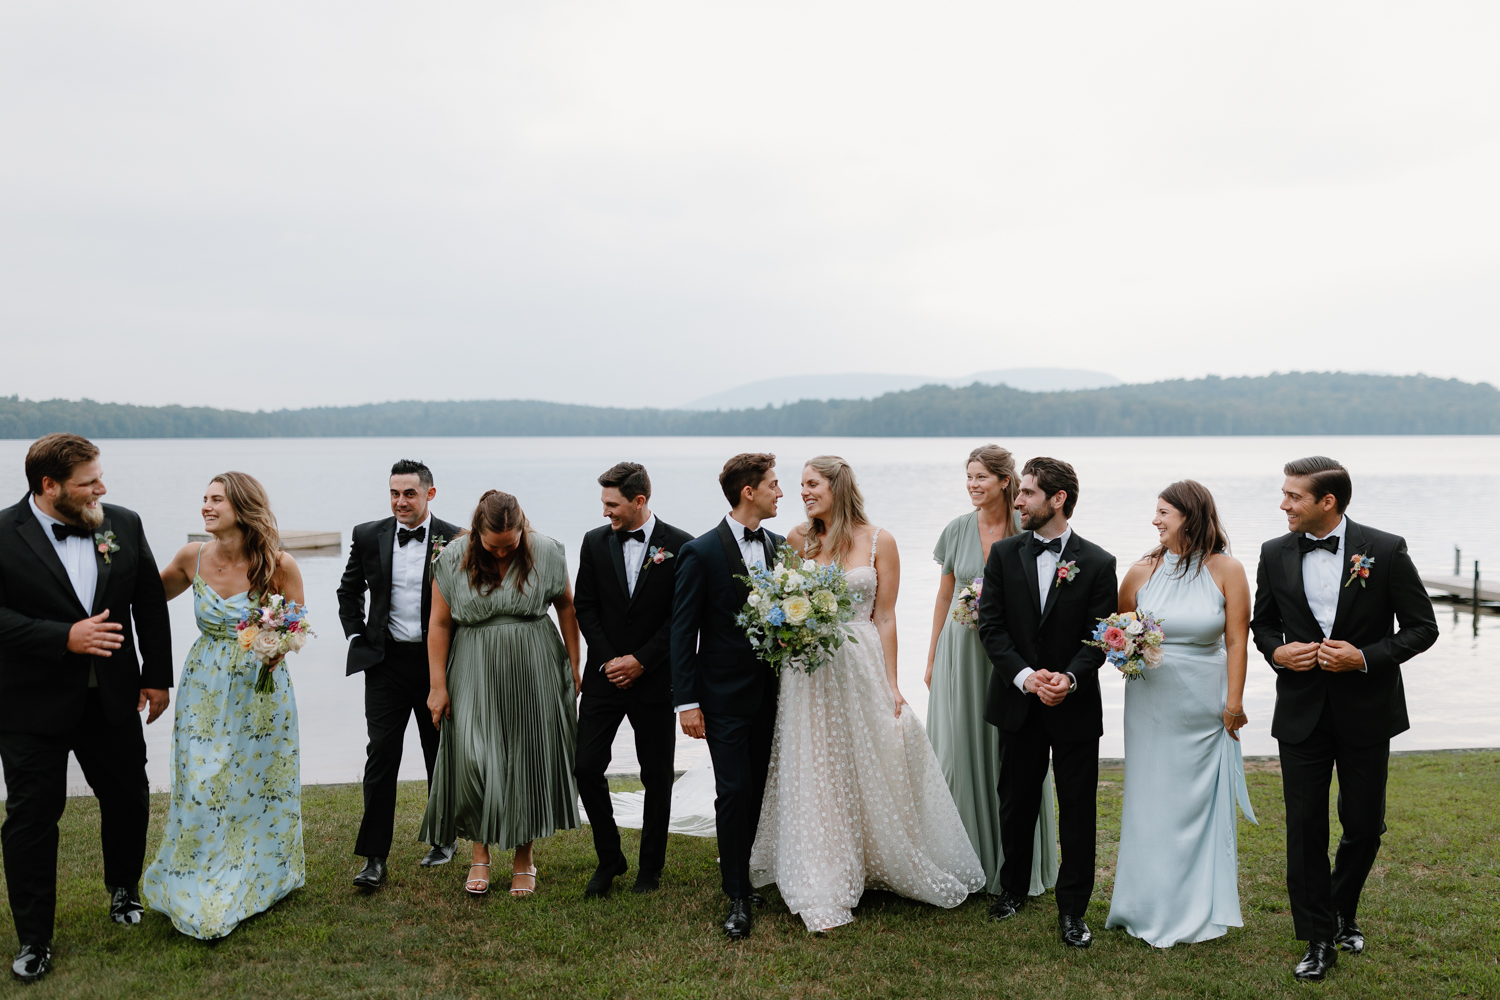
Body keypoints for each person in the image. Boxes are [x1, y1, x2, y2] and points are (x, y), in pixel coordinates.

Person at [751, 456, 985, 932]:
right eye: (799, 486)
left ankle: (877, 855)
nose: (803, 493)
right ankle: (823, 870)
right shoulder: (797, 540)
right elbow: (778, 604)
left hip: (859, 663)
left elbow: (885, 616)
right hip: (808, 672)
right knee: (816, 763)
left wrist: (892, 682)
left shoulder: (881, 540)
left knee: (868, 757)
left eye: (812, 484)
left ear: (838, 485)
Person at [1249, 457, 1437, 981]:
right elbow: (1262, 624)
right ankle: (1316, 939)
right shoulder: (1273, 552)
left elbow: (1422, 628)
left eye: (1293, 496)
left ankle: (1340, 908)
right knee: (1304, 828)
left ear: (1326, 502)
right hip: (1301, 713)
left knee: (1363, 825)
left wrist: (1365, 657)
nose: (1283, 504)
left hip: (1367, 711)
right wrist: (1276, 653)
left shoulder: (1386, 549)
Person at [0, 434, 172, 981]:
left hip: (113, 697)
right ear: (49, 487)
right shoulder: (2, 534)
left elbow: (147, 599)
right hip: (30, 705)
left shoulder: (123, 522)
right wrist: (62, 637)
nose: (102, 488)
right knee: (30, 819)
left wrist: (157, 677)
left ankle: (124, 890)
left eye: (100, 476)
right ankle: (34, 938)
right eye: (88, 482)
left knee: (127, 797)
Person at [143, 472, 306, 939]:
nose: (206, 507)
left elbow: (296, 627)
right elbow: (146, 599)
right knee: (202, 780)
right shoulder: (190, 557)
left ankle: (263, 872)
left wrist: (276, 644)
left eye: (216, 500)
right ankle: (195, 877)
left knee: (255, 785)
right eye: (204, 499)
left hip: (261, 692)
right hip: (204, 687)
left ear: (242, 506)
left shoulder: (279, 564)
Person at [1105, 481, 1257, 947]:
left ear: (1190, 516)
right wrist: (1125, 651)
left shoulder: (1227, 569)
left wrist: (1234, 702)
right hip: (1152, 704)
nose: (1156, 520)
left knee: (1197, 805)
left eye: (1164, 512)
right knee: (1151, 803)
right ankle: (1143, 904)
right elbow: (1121, 632)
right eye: (1156, 512)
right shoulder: (1140, 571)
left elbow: (1236, 640)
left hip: (1205, 704)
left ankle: (1196, 907)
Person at [977, 456, 1116, 948]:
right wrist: (1023, 676)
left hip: (1073, 706)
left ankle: (1073, 911)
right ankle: (1012, 888)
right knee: (1016, 802)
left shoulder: (1098, 562)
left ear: (1057, 499)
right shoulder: (1003, 554)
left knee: (1077, 808)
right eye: (1019, 492)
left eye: (1028, 493)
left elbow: (1100, 637)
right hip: (1018, 702)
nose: (1017, 501)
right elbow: (990, 625)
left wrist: (1069, 680)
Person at [419, 491, 582, 897]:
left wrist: (574, 664)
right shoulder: (452, 557)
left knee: (524, 757)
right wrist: (437, 686)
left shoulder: (546, 550)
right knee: (475, 758)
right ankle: (480, 854)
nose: (504, 552)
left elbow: (566, 606)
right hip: (473, 664)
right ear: (477, 533)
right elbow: (439, 625)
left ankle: (524, 859)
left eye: (512, 544)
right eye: (494, 545)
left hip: (535, 662)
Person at [925, 444, 1059, 899]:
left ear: (1006, 481)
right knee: (959, 750)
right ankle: (962, 862)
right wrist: (931, 656)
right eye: (968, 477)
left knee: (1017, 754)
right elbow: (945, 597)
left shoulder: (1029, 526)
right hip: (961, 652)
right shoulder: (957, 530)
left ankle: (1017, 863)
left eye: (981, 477)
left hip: (1012, 657)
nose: (972, 485)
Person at [670, 453, 784, 941]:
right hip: (720, 696)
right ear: (749, 492)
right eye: (775, 485)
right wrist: (686, 702)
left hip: (775, 694)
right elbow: (682, 633)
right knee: (733, 790)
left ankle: (747, 874)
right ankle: (737, 894)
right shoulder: (700, 553)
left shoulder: (781, 548)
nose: (782, 493)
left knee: (757, 788)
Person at [337, 459, 466, 889]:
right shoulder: (367, 535)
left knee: (440, 753)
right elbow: (348, 590)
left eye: (409, 493)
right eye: (394, 493)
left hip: (439, 665)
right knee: (381, 756)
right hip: (386, 663)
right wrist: (357, 637)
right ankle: (374, 857)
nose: (400, 502)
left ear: (430, 493)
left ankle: (443, 838)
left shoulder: (456, 538)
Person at [573, 462, 692, 897]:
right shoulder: (593, 542)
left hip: (656, 679)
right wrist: (611, 661)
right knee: (585, 767)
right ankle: (610, 858)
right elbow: (584, 605)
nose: (606, 512)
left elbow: (681, 618)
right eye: (604, 503)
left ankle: (650, 869)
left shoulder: (681, 546)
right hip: (605, 678)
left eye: (613, 504)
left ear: (639, 501)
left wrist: (641, 660)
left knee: (656, 775)